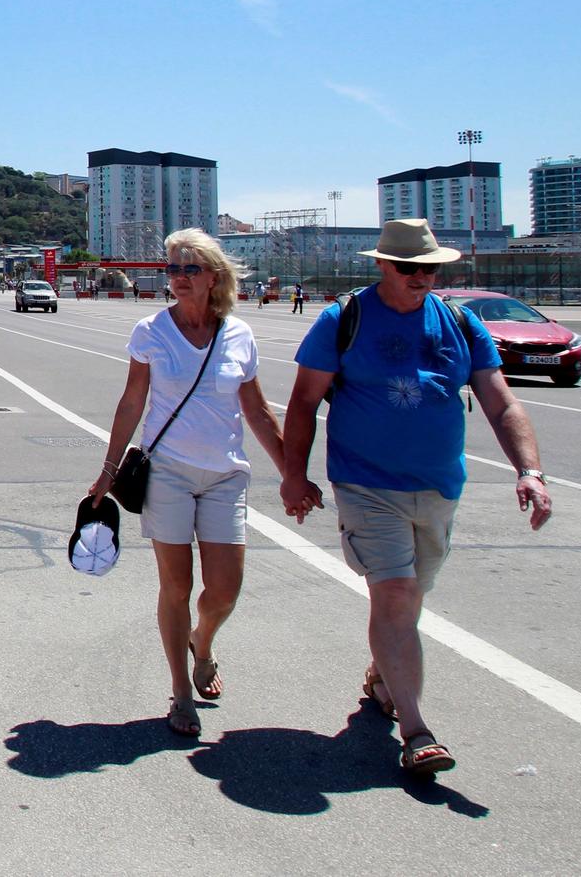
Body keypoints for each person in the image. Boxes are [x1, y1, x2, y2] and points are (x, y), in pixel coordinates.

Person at [280, 218, 552, 778]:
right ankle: (416, 729)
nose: (421, 277)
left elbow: (501, 403)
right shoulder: (343, 320)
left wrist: (530, 471)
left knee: (412, 597)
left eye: (430, 267)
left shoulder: (459, 321)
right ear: (381, 264)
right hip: (365, 484)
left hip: (439, 486)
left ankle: (383, 677)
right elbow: (304, 403)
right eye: (409, 268)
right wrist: (294, 476)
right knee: (397, 595)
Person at [90, 229, 303, 737]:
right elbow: (130, 403)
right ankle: (180, 690)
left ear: (214, 277)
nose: (179, 278)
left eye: (190, 269)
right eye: (173, 269)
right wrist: (108, 471)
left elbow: (255, 408)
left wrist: (292, 473)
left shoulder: (239, 335)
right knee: (176, 584)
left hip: (226, 474)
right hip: (168, 473)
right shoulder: (151, 332)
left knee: (225, 589)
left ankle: (201, 644)